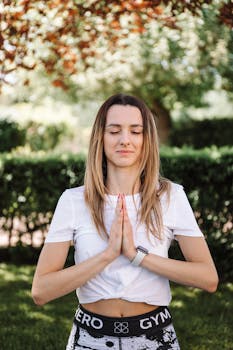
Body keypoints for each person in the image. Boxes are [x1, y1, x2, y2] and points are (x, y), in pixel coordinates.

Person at [31, 93, 218, 350]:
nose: (125, 140)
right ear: (101, 137)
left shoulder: (171, 196)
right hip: (89, 338)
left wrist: (136, 255)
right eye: (114, 131)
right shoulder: (73, 201)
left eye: (136, 131)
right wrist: (108, 255)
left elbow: (208, 278)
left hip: (155, 338)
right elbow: (41, 291)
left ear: (146, 139)